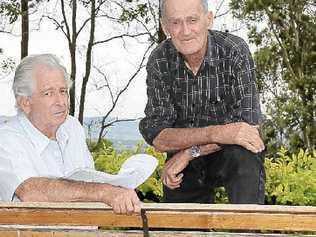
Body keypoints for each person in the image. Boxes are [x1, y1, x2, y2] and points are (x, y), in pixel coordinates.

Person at [139, 0, 266, 204]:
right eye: (176, 22)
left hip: (227, 155)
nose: (185, 31)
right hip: (182, 165)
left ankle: (247, 228)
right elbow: (158, 136)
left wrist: (190, 152)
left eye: (192, 20)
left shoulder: (234, 51)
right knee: (178, 225)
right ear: (165, 26)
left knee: (244, 154)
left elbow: (246, 128)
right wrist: (217, 133)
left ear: (209, 19)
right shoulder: (159, 60)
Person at [0, 54, 140, 214]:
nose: (61, 101)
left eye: (63, 91)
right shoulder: (6, 139)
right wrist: (104, 192)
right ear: (25, 103)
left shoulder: (72, 127)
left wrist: (116, 189)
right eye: (48, 93)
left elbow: (89, 180)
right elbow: (31, 191)